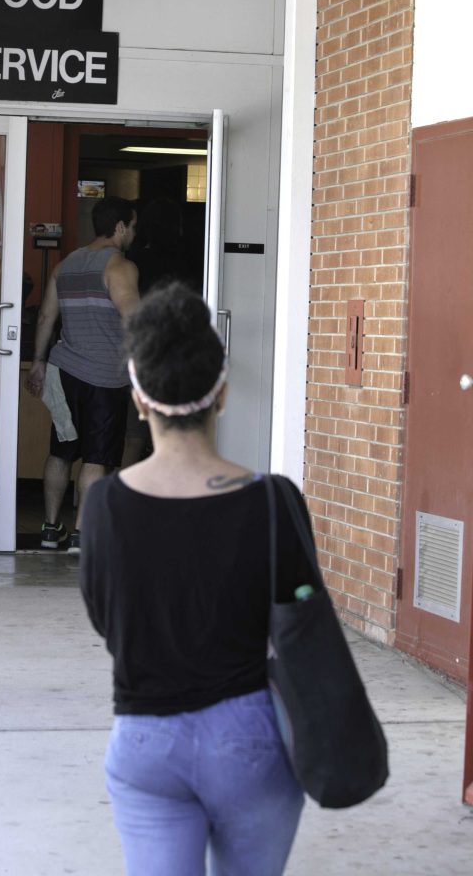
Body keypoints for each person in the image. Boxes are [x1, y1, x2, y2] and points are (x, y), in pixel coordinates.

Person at [79, 282, 311, 876]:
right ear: (223, 394)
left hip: (145, 739)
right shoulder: (273, 500)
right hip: (248, 736)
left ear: (137, 398)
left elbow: (108, 621)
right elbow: (299, 621)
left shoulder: (104, 505)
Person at [26, 196, 139, 553]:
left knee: (61, 451)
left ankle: (49, 527)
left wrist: (38, 362)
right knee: (95, 458)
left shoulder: (66, 264)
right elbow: (134, 321)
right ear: (120, 227)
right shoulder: (120, 266)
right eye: (133, 227)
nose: (134, 234)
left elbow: (46, 317)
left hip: (64, 372)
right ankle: (81, 534)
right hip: (105, 377)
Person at [122, 196, 200, 466]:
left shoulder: (134, 261)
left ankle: (128, 492)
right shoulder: (188, 260)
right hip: (176, 350)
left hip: (143, 348)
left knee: (134, 431)